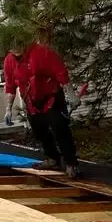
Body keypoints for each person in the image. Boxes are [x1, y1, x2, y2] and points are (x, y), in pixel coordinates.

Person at [6, 38, 80, 178]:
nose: (15, 49)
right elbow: (10, 86)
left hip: (51, 98)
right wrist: (8, 108)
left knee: (60, 130)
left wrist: (71, 95)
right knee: (40, 132)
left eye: (18, 44)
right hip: (31, 102)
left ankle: (71, 163)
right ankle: (53, 159)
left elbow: (61, 73)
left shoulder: (41, 52)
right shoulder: (9, 61)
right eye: (11, 47)